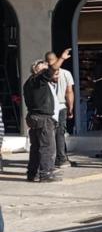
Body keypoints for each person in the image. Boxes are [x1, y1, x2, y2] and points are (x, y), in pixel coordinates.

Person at [23, 49, 70, 182]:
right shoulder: (38, 80)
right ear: (37, 71)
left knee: (36, 147)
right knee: (47, 147)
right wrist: (62, 58)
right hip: (43, 118)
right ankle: (46, 174)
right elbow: (52, 69)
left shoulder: (31, 82)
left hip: (35, 117)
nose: (49, 72)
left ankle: (33, 173)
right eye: (44, 69)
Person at [44, 52, 74, 169]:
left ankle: (60, 157)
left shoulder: (44, 74)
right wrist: (70, 107)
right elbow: (69, 92)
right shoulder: (66, 73)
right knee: (60, 133)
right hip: (61, 106)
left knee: (54, 133)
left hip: (49, 107)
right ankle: (61, 158)